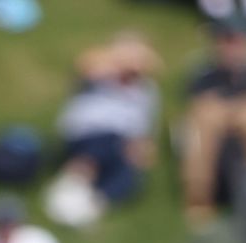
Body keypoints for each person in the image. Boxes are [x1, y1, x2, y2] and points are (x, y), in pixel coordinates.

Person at [46, 31, 161, 227]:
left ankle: (94, 204)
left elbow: (144, 130)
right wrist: (118, 65)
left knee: (130, 170)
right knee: (105, 142)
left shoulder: (146, 91)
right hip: (86, 134)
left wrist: (140, 148)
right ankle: (74, 183)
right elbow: (85, 66)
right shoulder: (99, 75)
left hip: (121, 142)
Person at [180, 17, 246, 223]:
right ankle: (199, 200)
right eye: (228, 42)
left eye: (239, 42)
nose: (234, 48)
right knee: (205, 122)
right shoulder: (205, 72)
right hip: (214, 120)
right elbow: (197, 103)